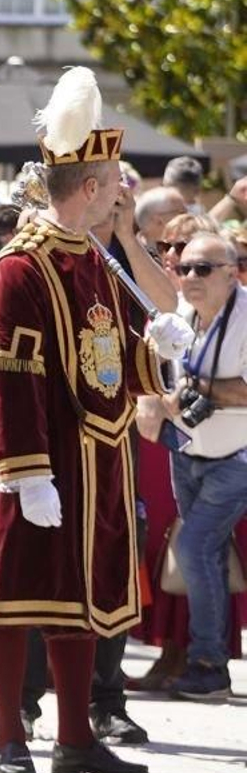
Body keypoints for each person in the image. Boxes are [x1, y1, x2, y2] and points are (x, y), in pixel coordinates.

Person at [0, 66, 193, 773]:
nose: (121, 191)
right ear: (89, 188)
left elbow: (102, 359)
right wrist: (27, 474)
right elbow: (11, 374)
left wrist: (154, 355)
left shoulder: (94, 259)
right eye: (114, 181)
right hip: (42, 458)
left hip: (95, 455)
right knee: (17, 597)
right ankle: (7, 740)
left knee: (81, 604)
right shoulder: (21, 266)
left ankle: (76, 738)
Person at [160, 233, 247, 702]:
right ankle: (210, 663)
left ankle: (209, 661)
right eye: (185, 267)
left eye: (203, 269)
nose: (190, 276)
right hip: (186, 450)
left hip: (238, 457)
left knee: (194, 548)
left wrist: (203, 387)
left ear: (232, 274)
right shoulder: (180, 314)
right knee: (208, 554)